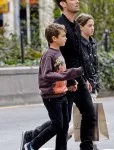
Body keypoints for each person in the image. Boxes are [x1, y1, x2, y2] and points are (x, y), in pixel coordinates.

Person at [20, 1, 97, 150]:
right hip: (64, 82)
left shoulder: (75, 25)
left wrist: (85, 77)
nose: (77, 1)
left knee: (89, 114)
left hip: (77, 78)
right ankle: (34, 137)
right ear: (63, 3)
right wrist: (68, 81)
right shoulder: (58, 26)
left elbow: (78, 54)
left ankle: (87, 147)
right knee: (62, 122)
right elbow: (56, 57)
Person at [23, 23, 83, 150]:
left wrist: (70, 82)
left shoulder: (58, 53)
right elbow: (47, 75)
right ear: (54, 38)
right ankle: (31, 145)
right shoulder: (48, 54)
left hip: (62, 93)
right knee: (57, 125)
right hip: (51, 96)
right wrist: (73, 72)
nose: (66, 38)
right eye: (63, 36)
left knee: (64, 126)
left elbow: (61, 71)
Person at [75, 13, 100, 98]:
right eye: (89, 26)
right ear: (81, 27)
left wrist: (96, 84)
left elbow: (95, 65)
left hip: (94, 87)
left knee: (94, 110)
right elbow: (76, 66)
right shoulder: (76, 44)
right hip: (82, 88)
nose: (92, 28)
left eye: (93, 25)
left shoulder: (92, 43)